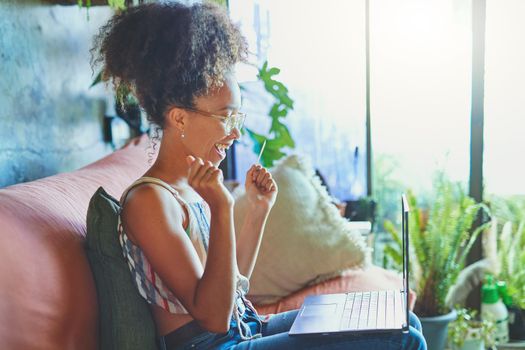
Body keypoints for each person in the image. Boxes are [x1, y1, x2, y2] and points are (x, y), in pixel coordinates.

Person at [93, 2, 427, 349]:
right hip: (214, 344)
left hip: (244, 327)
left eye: (237, 118)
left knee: (403, 318)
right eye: (226, 118)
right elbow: (213, 315)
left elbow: (232, 284)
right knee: (405, 340)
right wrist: (221, 208)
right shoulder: (149, 201)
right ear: (179, 118)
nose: (235, 133)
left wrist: (257, 210)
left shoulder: (189, 186)